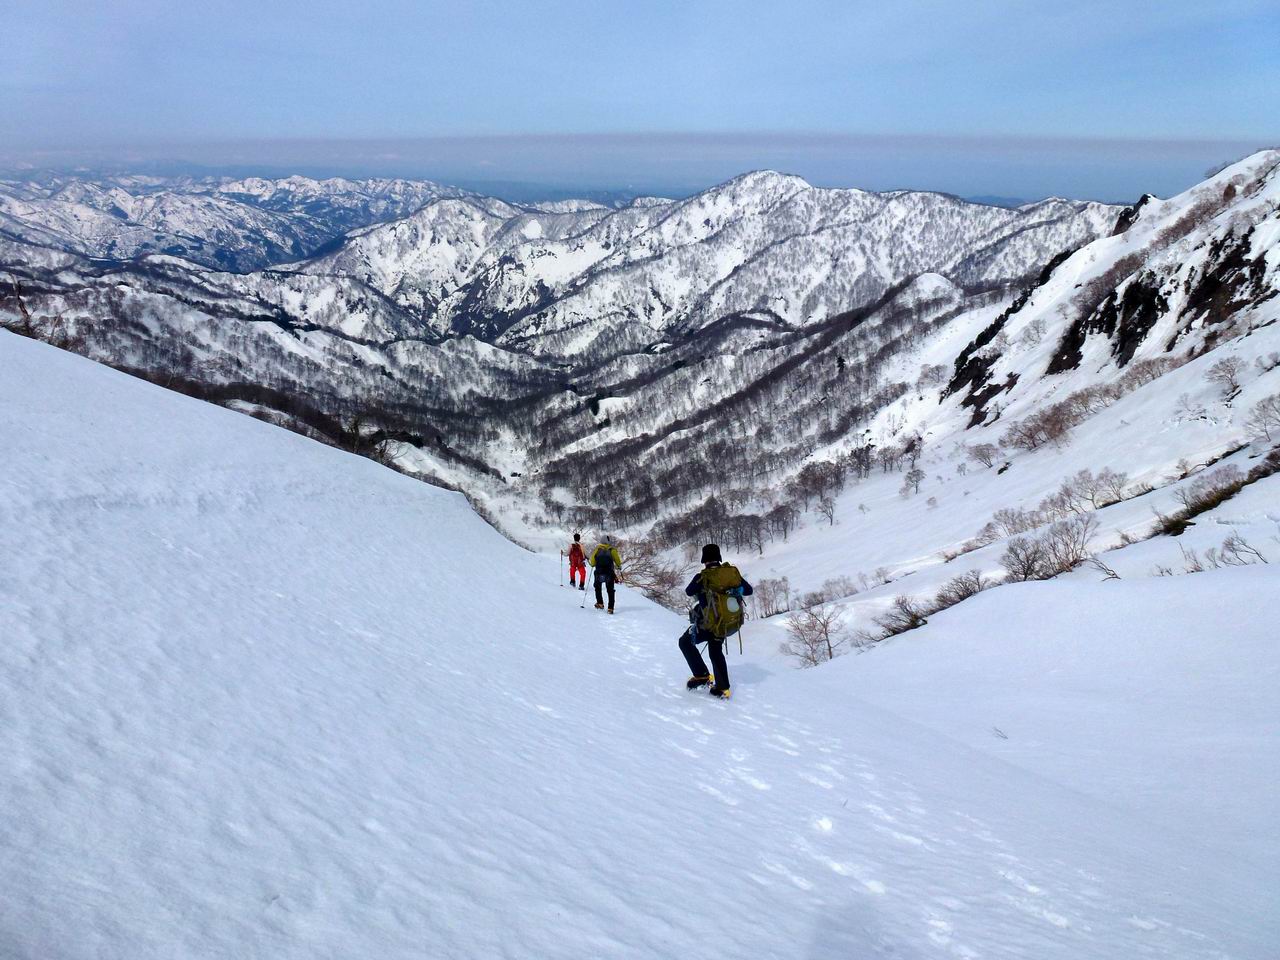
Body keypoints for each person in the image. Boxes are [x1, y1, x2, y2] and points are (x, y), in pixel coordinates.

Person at [680, 543, 752, 699]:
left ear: (704, 560)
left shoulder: (701, 577)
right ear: (719, 558)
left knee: (685, 642)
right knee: (715, 650)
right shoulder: (731, 574)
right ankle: (722, 688)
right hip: (727, 622)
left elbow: (688, 591)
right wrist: (734, 589)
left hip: (708, 624)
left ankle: (702, 676)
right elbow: (749, 590)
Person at [589, 535, 622, 613]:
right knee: (610, 590)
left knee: (598, 588)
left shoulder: (597, 549)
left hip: (599, 572)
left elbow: (592, 562)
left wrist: (594, 564)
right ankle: (610, 608)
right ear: (608, 541)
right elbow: (617, 560)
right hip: (609, 572)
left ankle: (600, 603)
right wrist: (619, 566)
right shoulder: (612, 550)